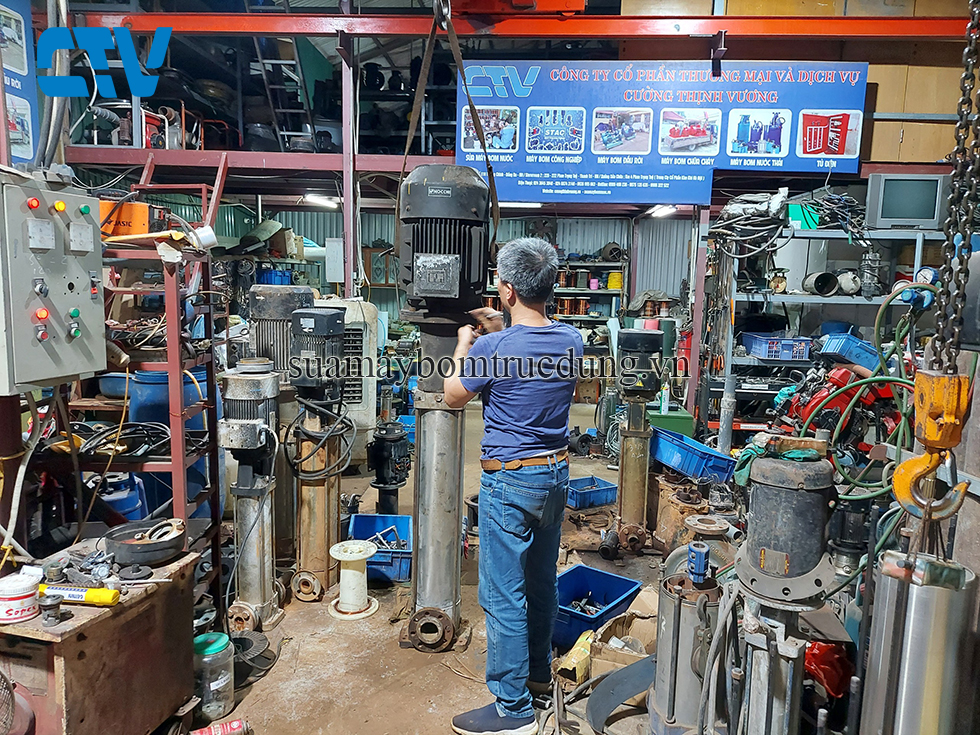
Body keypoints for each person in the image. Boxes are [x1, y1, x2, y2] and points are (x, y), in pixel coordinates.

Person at [445, 238, 584, 735]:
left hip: (509, 481)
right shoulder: (572, 340)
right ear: (551, 285)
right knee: (542, 583)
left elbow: (453, 395)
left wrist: (465, 344)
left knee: (504, 595)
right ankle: (539, 677)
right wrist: (501, 327)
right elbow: (529, 347)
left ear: (506, 290)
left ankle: (512, 708)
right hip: (555, 476)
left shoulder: (490, 348)